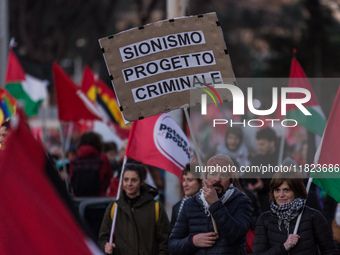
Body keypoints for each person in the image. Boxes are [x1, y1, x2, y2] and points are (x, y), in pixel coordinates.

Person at [169, 154, 252, 254]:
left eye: (224, 175)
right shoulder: (190, 204)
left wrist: (215, 204)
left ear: (231, 180)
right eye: (213, 173)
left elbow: (237, 235)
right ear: (205, 176)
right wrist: (192, 241)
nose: (218, 179)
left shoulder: (241, 202)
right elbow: (172, 245)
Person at [252, 171, 338, 254]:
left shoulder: (313, 216)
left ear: (296, 191)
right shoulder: (264, 219)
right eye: (277, 190)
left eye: (286, 190)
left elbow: (330, 251)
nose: (281, 195)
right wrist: (283, 247)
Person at [98, 163, 170, 254]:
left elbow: (165, 242)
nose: (129, 183)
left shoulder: (156, 208)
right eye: (126, 179)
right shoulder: (114, 208)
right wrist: (105, 245)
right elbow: (102, 238)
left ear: (142, 182)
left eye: (134, 180)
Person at [69, 131, 112, 197]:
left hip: (79, 200)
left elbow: (71, 179)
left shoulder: (74, 159)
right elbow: (108, 177)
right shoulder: (103, 158)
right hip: (99, 200)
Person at [170, 163, 202, 228]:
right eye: (184, 180)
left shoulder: (211, 204)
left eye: (190, 180)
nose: (185, 184)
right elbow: (173, 236)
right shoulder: (177, 208)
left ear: (201, 182)